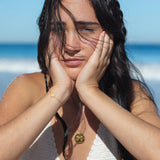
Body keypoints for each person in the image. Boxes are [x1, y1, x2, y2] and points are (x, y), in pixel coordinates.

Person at [0, 0, 160, 159]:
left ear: (110, 35)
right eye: (57, 29)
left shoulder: (131, 93)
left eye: (86, 29)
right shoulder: (27, 88)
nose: (70, 45)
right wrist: (58, 92)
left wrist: (90, 91)